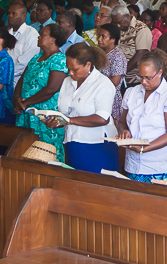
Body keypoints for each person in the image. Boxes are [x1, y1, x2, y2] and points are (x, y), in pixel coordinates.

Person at [44, 43, 117, 173]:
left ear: (88, 65)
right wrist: (56, 121)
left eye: (75, 69)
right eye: (68, 68)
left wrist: (70, 120)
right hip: (72, 142)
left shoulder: (103, 84)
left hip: (97, 145)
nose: (70, 72)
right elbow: (65, 112)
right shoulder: (67, 82)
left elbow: (102, 118)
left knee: (97, 187)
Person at [115, 50, 167, 182]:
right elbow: (122, 122)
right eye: (140, 77)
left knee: (164, 202)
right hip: (134, 165)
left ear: (159, 72)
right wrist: (124, 132)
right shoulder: (131, 93)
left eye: (148, 77)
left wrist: (144, 148)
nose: (144, 82)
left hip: (162, 165)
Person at [14, 23, 69, 161]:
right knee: (23, 151)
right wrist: (16, 98)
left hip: (45, 116)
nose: (39, 36)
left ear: (53, 39)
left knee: (45, 154)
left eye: (43, 34)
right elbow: (22, 80)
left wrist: (26, 102)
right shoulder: (35, 58)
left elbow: (52, 88)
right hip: (26, 111)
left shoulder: (59, 60)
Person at [95, 23, 126, 121]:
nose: (99, 39)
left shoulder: (117, 56)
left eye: (103, 37)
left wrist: (94, 79)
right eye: (99, 35)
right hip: (96, 94)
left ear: (113, 39)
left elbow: (115, 81)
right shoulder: (98, 53)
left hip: (110, 98)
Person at [7, 2, 39, 82]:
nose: (10, 16)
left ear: (24, 16)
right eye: (9, 13)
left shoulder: (31, 34)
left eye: (14, 14)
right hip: (3, 78)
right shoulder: (6, 33)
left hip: (18, 80)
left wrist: (6, 75)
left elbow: (25, 63)